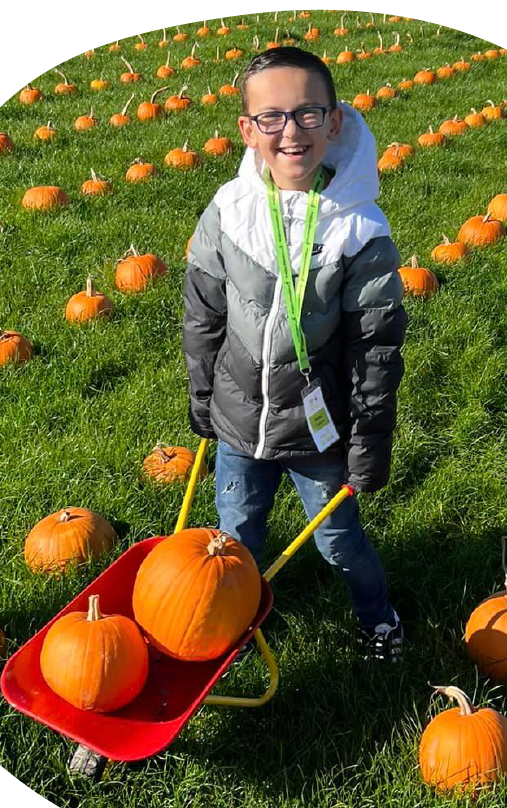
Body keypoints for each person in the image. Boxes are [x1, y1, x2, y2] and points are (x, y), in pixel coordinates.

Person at [183, 47, 407, 662]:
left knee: (337, 541)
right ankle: (233, 624)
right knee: (236, 540)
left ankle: (379, 617)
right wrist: (203, 395)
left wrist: (368, 441)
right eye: (272, 117)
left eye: (309, 114)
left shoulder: (359, 229)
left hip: (318, 430)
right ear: (248, 130)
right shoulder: (228, 211)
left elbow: (376, 348)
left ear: (334, 122)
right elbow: (203, 312)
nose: (291, 132)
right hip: (238, 421)